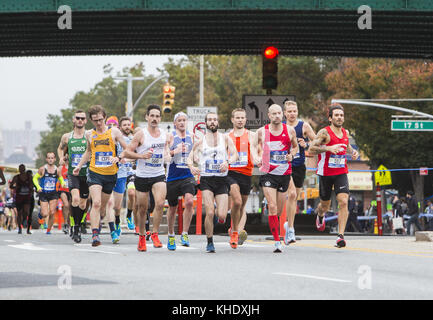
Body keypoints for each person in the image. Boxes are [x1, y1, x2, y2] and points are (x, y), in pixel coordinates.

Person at [73, 105, 128, 247]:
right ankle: (95, 235)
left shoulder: (114, 131)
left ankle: (101, 221)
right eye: (95, 120)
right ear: (91, 120)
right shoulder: (89, 134)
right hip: (94, 172)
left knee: (103, 207)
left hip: (110, 174)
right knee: (96, 203)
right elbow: (88, 152)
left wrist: (119, 157)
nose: (98, 123)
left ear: (105, 117)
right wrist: (79, 166)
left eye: (101, 119)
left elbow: (126, 148)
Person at [309, 103, 359, 248]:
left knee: (343, 201)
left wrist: (352, 152)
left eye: (341, 115)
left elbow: (347, 146)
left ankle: (340, 236)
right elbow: (312, 148)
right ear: (330, 118)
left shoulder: (346, 133)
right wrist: (329, 148)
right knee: (325, 205)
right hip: (325, 173)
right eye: (336, 115)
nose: (339, 117)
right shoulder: (324, 133)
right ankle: (320, 215)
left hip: (341, 172)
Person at [187, 111, 238, 253]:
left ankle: (218, 218)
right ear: (206, 123)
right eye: (210, 120)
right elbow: (190, 158)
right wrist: (191, 167)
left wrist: (228, 162)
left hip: (221, 180)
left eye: (215, 119)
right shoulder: (200, 141)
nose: (212, 122)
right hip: (207, 180)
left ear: (218, 123)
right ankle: (210, 241)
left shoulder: (225, 138)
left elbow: (235, 154)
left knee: (221, 216)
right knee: (209, 212)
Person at [123, 104, 171, 252]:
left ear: (160, 119)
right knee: (142, 208)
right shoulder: (140, 134)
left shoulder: (165, 135)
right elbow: (127, 153)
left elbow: (166, 152)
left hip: (158, 174)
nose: (155, 119)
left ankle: (155, 234)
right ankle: (142, 236)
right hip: (142, 175)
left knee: (160, 203)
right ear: (147, 117)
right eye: (152, 116)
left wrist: (167, 155)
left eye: (157, 116)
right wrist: (141, 156)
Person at [255, 104, 298, 253]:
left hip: (284, 173)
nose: (277, 116)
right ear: (269, 115)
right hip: (268, 172)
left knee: (279, 211)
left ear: (282, 114)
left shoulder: (289, 130)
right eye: (274, 114)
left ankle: (282, 225)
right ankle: (277, 241)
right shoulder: (262, 131)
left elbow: (295, 147)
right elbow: (253, 146)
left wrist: (292, 154)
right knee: (273, 207)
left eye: (279, 113)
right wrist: (256, 157)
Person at [283, 100, 316, 244]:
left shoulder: (304, 126)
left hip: (299, 166)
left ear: (297, 112)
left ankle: (287, 222)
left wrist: (307, 144)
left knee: (294, 197)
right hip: (284, 165)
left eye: (294, 111)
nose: (292, 114)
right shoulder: (281, 127)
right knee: (291, 194)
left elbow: (318, 142)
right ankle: (291, 229)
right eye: (289, 111)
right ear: (285, 113)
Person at [226, 108, 259, 248]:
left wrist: (258, 160)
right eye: (237, 117)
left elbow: (258, 151)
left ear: (246, 119)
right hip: (231, 173)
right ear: (232, 119)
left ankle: (236, 231)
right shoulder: (227, 136)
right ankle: (236, 231)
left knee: (242, 206)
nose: (240, 120)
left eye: (242, 117)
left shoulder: (252, 135)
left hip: (246, 173)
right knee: (237, 202)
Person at [165, 112, 197, 250]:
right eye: (179, 120)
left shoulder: (192, 137)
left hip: (187, 176)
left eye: (184, 120)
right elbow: (164, 156)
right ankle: (171, 235)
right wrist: (174, 151)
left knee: (189, 201)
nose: (182, 122)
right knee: (172, 208)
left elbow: (196, 155)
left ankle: (184, 233)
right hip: (172, 177)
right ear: (175, 123)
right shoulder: (170, 136)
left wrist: (195, 162)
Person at [58, 109, 90, 243]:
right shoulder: (67, 137)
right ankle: (76, 228)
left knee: (83, 205)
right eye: (78, 118)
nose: (80, 120)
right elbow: (60, 148)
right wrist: (61, 158)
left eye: (83, 118)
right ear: (74, 120)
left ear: (86, 121)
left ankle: (77, 223)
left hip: (87, 174)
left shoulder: (89, 135)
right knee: (75, 199)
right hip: (73, 173)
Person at [106, 116, 134, 243]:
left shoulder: (125, 140)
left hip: (121, 174)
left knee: (117, 206)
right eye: (109, 125)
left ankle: (117, 220)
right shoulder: (105, 139)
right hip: (106, 174)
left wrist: (124, 159)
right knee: (110, 204)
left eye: (114, 125)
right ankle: (113, 231)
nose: (112, 128)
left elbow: (133, 155)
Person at [33, 152, 66, 234]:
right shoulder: (42, 169)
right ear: (46, 159)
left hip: (53, 193)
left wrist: (63, 183)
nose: (50, 160)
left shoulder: (57, 170)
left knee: (52, 212)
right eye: (49, 158)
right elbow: (34, 178)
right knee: (45, 214)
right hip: (43, 193)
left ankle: (49, 229)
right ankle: (41, 215)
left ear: (54, 159)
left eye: (52, 158)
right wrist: (38, 187)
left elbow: (60, 178)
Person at [10, 164, 34, 234]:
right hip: (19, 197)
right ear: (19, 169)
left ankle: (24, 220)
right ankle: (20, 228)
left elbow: (32, 185)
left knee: (26, 211)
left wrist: (31, 188)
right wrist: (15, 188)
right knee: (19, 213)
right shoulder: (16, 177)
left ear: (24, 169)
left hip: (27, 196)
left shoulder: (29, 177)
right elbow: (11, 185)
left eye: (23, 168)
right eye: (20, 168)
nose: (21, 170)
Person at [57, 160, 71, 235]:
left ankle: (70, 223)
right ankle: (65, 223)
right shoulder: (61, 168)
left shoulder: (74, 166)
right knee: (66, 205)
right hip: (63, 189)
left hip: (72, 190)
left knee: (71, 207)